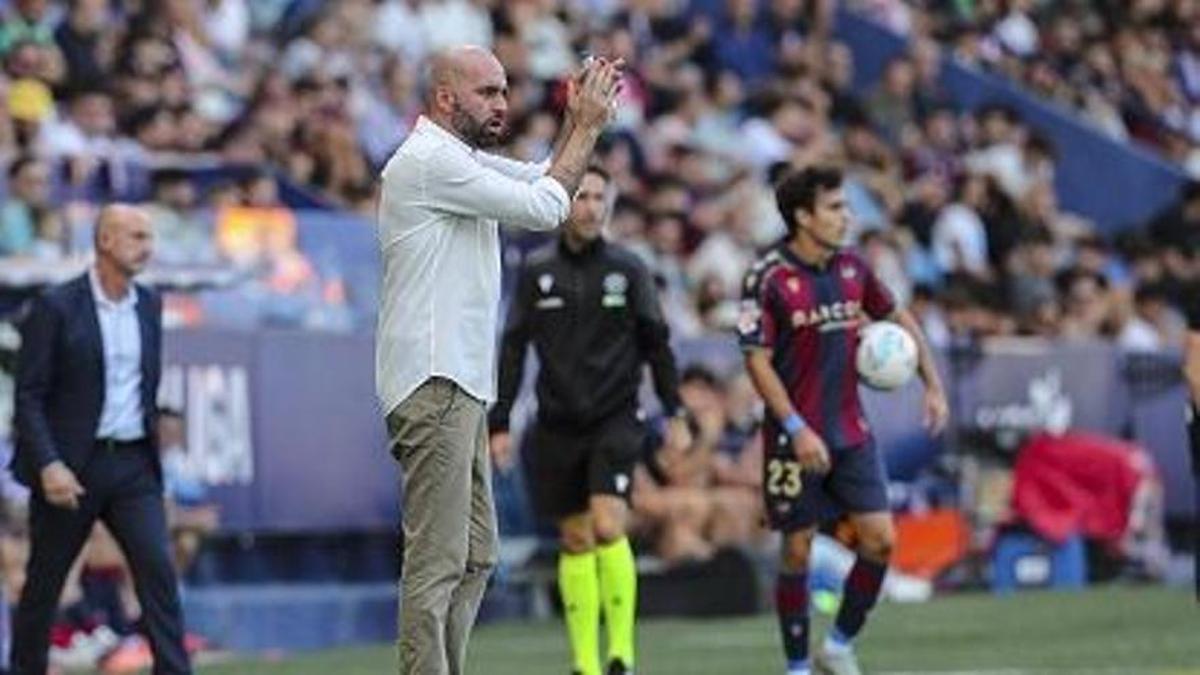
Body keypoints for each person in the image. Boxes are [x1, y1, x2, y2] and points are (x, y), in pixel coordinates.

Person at [375, 46, 622, 675]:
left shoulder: (458, 160)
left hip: (457, 384)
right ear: (444, 99)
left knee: (477, 554)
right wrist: (587, 127)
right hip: (433, 381)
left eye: (505, 90)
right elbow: (548, 208)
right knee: (437, 562)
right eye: (487, 92)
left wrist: (575, 119)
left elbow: (542, 177)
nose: (502, 103)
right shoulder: (430, 161)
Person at [738, 166, 948, 675]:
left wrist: (933, 385)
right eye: (835, 207)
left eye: (846, 206)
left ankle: (837, 645)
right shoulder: (766, 278)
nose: (847, 216)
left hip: (851, 431)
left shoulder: (854, 268)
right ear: (803, 217)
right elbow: (756, 360)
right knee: (797, 550)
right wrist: (795, 429)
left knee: (881, 539)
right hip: (794, 439)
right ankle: (797, 668)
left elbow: (899, 318)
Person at [488, 166, 690, 675]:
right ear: (563, 204)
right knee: (575, 537)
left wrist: (675, 410)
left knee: (607, 522)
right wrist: (501, 421)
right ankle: (585, 663)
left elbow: (657, 343)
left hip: (616, 417)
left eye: (600, 198)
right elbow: (513, 349)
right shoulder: (537, 271)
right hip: (556, 422)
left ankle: (621, 652)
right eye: (582, 197)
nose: (592, 207)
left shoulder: (629, 268)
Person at [11, 204, 191, 674]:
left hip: (132, 463)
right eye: (135, 236)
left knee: (158, 573)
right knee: (43, 586)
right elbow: (28, 397)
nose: (146, 246)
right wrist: (49, 463)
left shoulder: (150, 303)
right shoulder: (56, 306)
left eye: (148, 237)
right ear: (105, 241)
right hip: (72, 466)